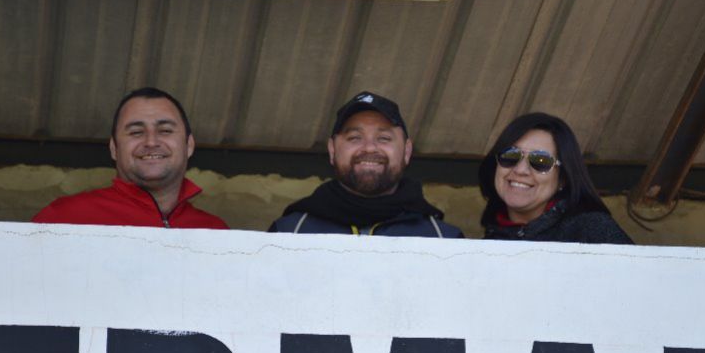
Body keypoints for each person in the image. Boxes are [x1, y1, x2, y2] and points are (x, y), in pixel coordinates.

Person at [270, 91, 462, 237]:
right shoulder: (289, 232)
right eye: (354, 138)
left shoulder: (444, 239)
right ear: (332, 150)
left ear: (407, 151)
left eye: (384, 138)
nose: (369, 148)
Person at [33, 87, 228, 229]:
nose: (151, 141)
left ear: (189, 145)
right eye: (136, 132)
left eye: (166, 130)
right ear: (114, 148)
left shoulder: (216, 233)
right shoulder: (64, 218)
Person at [479, 112, 632, 244]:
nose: (521, 170)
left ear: (563, 179)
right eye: (511, 155)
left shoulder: (593, 229)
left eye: (541, 161)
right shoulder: (486, 244)